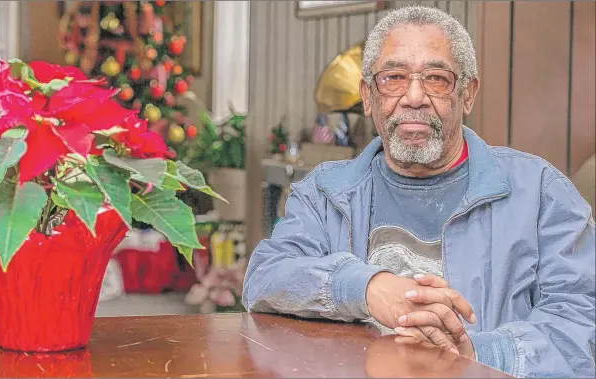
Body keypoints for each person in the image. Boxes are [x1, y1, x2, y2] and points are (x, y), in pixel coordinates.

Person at [242, 5, 595, 378]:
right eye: (393, 78)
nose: (413, 96)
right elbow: (266, 277)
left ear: (468, 94)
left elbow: (581, 322)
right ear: (367, 96)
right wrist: (366, 287)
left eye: (437, 78)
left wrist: (475, 354)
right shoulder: (324, 193)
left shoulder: (539, 192)